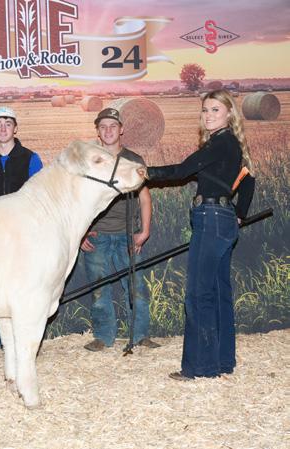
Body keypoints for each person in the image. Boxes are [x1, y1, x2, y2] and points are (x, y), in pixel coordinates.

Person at [147, 89, 255, 380]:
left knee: (198, 294)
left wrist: (145, 172)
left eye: (215, 110)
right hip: (222, 218)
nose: (208, 115)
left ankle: (200, 367)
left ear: (229, 113)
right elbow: (249, 180)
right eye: (205, 110)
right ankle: (222, 361)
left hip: (211, 219)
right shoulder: (230, 143)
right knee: (218, 293)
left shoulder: (221, 143)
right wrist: (239, 213)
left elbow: (182, 170)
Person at [80, 108, 160, 352]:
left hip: (128, 234)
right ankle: (103, 337)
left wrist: (144, 231)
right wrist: (81, 232)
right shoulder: (91, 160)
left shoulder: (133, 160)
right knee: (99, 289)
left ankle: (140, 335)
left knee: (136, 287)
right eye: (103, 126)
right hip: (98, 234)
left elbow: (144, 197)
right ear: (97, 130)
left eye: (113, 126)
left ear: (121, 129)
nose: (108, 131)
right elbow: (80, 199)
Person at [0, 106, 43, 355]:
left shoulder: (31, 158)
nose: (3, 128)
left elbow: (38, 197)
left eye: (8, 123)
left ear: (15, 128)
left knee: (27, 284)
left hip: (25, 233)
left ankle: (28, 337)